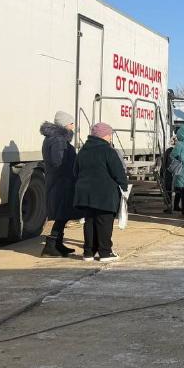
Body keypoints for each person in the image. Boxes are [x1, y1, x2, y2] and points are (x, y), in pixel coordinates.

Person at [74, 122, 128, 262]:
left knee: (90, 221)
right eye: (110, 135)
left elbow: (76, 171)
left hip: (85, 193)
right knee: (104, 222)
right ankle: (105, 252)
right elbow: (118, 171)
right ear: (105, 135)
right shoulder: (108, 150)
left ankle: (88, 252)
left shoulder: (83, 150)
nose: (110, 138)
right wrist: (124, 186)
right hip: (104, 194)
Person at [39, 111, 78, 257]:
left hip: (60, 181)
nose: (73, 126)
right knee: (63, 213)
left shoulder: (55, 138)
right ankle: (51, 246)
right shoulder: (58, 140)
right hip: (62, 182)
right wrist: (73, 169)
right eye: (71, 123)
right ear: (65, 124)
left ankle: (57, 244)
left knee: (64, 213)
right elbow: (59, 162)